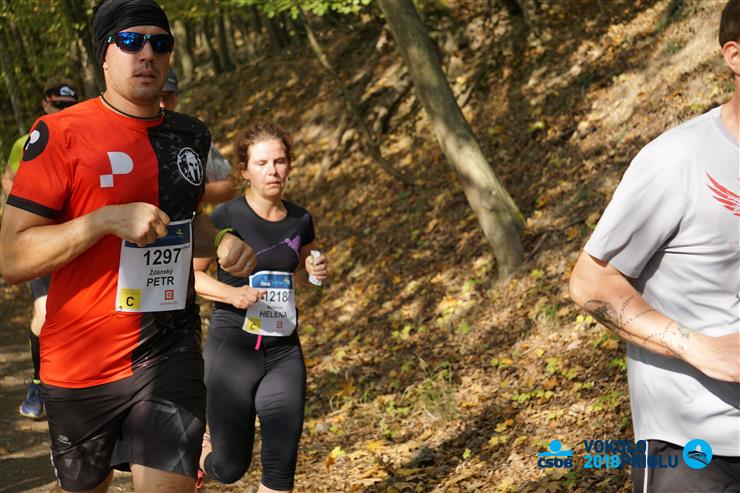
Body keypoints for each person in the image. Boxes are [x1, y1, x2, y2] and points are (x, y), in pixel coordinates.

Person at [0, 1, 257, 492]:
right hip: (80, 361)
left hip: (168, 352)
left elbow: (187, 221)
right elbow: (11, 258)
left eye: (160, 43)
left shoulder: (190, 135)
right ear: (104, 54)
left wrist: (223, 241)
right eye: (131, 42)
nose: (147, 54)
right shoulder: (60, 133)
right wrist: (102, 221)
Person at [569, 1, 740, 491]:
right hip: (692, 446)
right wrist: (701, 349)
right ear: (735, 56)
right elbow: (590, 282)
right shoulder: (678, 158)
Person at [193, 122, 327, 493]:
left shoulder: (300, 219)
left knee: (281, 465)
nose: (273, 171)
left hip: (283, 351)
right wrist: (232, 294)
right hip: (232, 350)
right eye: (262, 163)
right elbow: (192, 276)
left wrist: (312, 272)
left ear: (290, 165)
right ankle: (198, 450)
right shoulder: (225, 217)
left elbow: (299, 273)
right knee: (230, 466)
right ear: (244, 170)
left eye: (280, 161)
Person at [2, 78, 80, 419]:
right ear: (45, 104)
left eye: (69, 106)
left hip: (78, 239)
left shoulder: (85, 137)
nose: (62, 111)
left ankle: (77, 384)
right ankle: (37, 381)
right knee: (45, 312)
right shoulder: (27, 141)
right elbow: (8, 180)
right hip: (38, 241)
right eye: (57, 105)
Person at [159, 67, 238, 205]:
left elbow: (230, 186)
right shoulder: (129, 139)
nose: (162, 104)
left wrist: (191, 192)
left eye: (168, 96)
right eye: (155, 97)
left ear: (176, 97)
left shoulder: (193, 136)